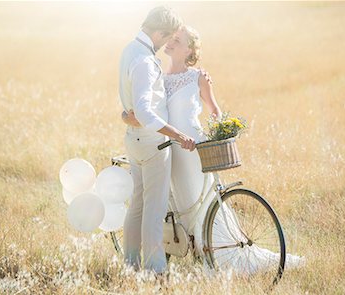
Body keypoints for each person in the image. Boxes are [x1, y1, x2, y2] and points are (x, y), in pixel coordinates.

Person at [123, 25, 305, 273]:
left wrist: (219, 132)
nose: (172, 41)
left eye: (178, 39)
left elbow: (215, 111)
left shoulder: (198, 77)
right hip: (171, 149)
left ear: (189, 50)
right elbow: (148, 111)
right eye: (172, 37)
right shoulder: (159, 80)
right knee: (178, 204)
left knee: (203, 201)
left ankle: (218, 252)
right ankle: (191, 249)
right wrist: (127, 117)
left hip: (194, 149)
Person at [118, 6, 196, 275]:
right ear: (159, 32)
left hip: (135, 141)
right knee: (153, 212)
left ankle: (130, 266)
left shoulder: (129, 49)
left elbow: (131, 108)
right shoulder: (145, 62)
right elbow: (143, 109)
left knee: (137, 207)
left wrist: (127, 115)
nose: (166, 44)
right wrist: (177, 134)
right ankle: (156, 272)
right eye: (166, 38)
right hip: (153, 145)